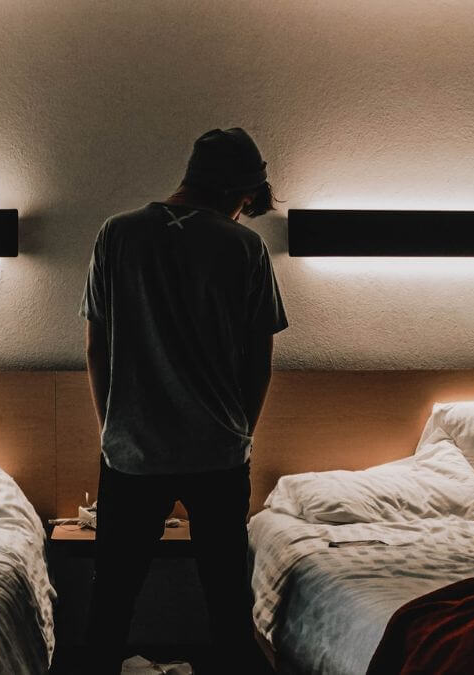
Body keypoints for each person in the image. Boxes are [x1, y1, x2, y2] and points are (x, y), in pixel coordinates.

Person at [78, 127, 288, 674]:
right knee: (226, 606)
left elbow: (98, 348)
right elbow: (258, 361)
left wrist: (111, 428)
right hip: (217, 452)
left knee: (110, 607)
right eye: (246, 203)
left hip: (132, 451)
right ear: (238, 192)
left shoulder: (116, 235)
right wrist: (243, 432)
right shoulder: (244, 247)